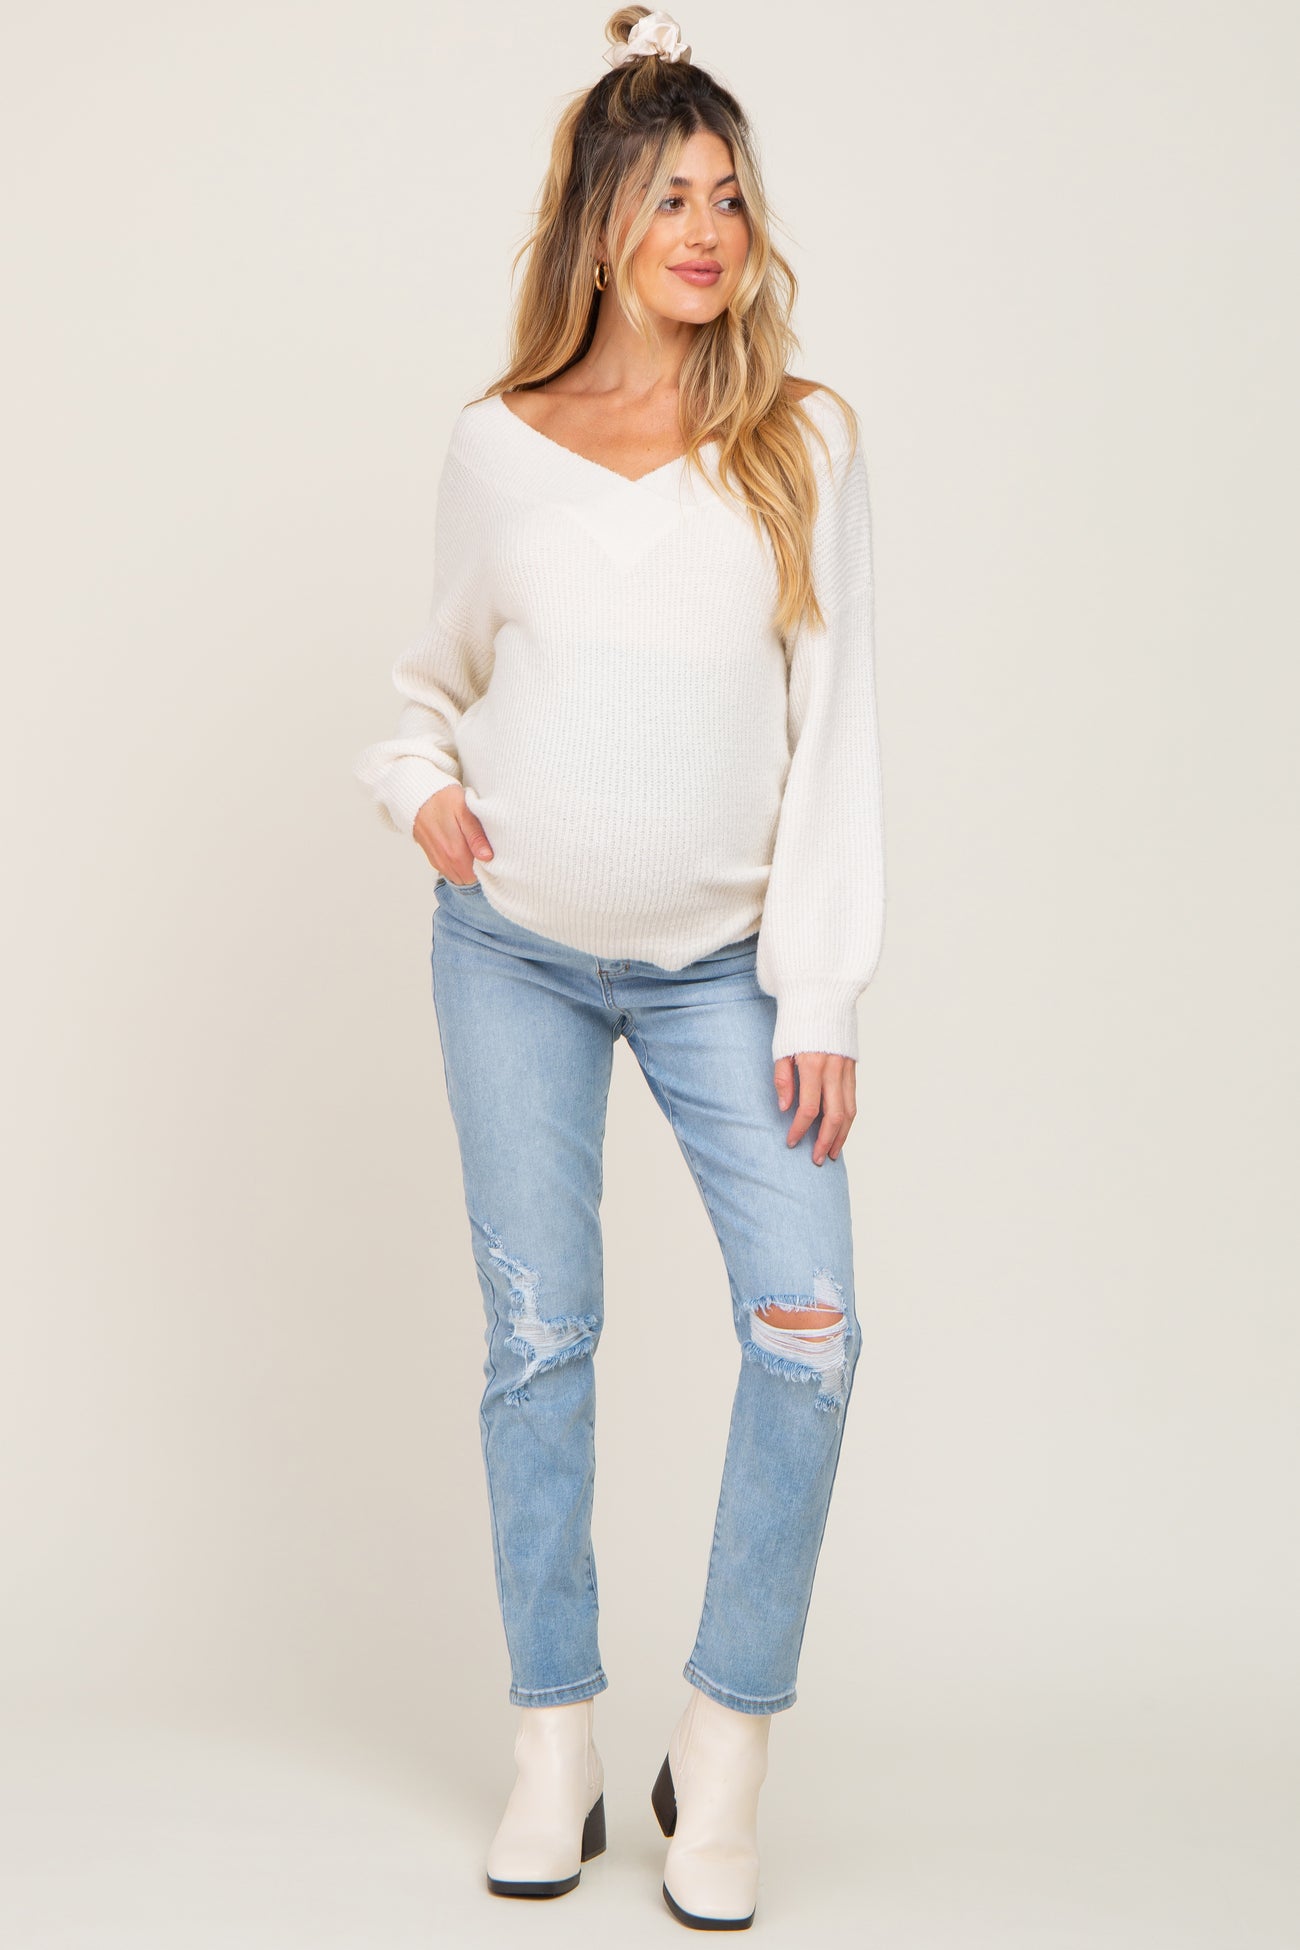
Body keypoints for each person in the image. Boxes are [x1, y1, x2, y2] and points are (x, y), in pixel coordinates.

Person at [353, 5, 886, 1930]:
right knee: (540, 1339)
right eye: (670, 196)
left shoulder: (801, 441)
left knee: (809, 1329)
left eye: (729, 197)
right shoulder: (498, 449)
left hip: (722, 968)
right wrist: (419, 789)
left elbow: (839, 734)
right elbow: (425, 689)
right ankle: (555, 1744)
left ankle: (722, 1749)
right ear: (599, 221)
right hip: (509, 956)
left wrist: (816, 990)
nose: (708, 230)